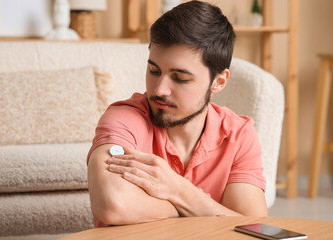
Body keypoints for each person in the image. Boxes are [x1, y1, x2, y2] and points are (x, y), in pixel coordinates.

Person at [87, 0, 268, 227]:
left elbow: (252, 227)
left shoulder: (238, 135)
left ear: (218, 82)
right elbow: (113, 206)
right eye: (154, 70)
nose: (159, 89)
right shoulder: (124, 119)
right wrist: (194, 206)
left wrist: (177, 189)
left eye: (180, 78)